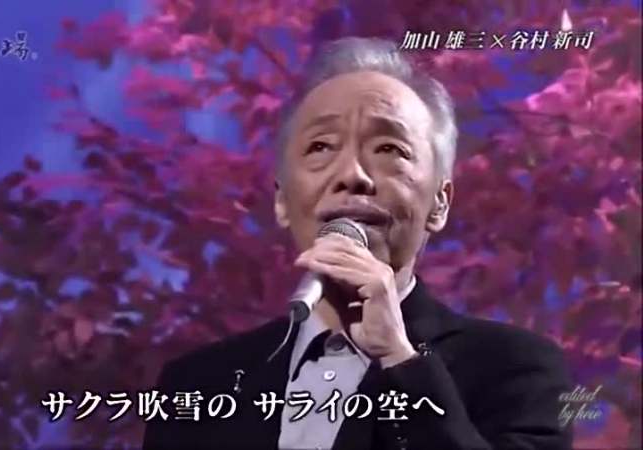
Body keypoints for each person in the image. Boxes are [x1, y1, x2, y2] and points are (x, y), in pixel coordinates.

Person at [142, 36, 574, 450]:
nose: (353, 174)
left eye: (389, 149)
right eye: (321, 146)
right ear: (282, 202)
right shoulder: (197, 384)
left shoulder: (519, 369)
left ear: (439, 203)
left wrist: (400, 358)